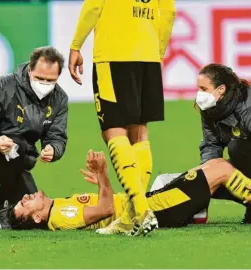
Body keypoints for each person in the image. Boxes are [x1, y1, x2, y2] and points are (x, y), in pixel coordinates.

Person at [67, 0, 176, 235]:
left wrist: (76, 45)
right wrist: (157, 51)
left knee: (113, 129)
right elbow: (168, 12)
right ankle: (129, 217)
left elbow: (94, 7)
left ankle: (142, 209)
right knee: (140, 132)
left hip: (114, 54)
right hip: (148, 55)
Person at [4, 150, 251, 233]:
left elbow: (105, 205)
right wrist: (103, 175)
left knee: (215, 165)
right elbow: (107, 209)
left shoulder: (59, 207)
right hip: (156, 210)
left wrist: (102, 183)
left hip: (150, 203)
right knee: (222, 171)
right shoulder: (59, 216)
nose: (25, 197)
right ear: (37, 217)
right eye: (24, 205)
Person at [0, 46, 68, 230]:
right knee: (16, 145)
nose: (44, 84)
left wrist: (53, 148)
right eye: (39, 78)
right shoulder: (0, 88)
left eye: (50, 80)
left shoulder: (59, 98)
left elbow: (57, 136)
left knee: (34, 217)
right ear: (29, 70)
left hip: (18, 159)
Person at [194, 63, 251, 224]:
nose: (199, 94)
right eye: (198, 89)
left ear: (221, 90)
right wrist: (209, 175)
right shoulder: (210, 110)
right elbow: (211, 145)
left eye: (203, 89)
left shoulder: (248, 106)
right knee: (206, 179)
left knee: (237, 149)